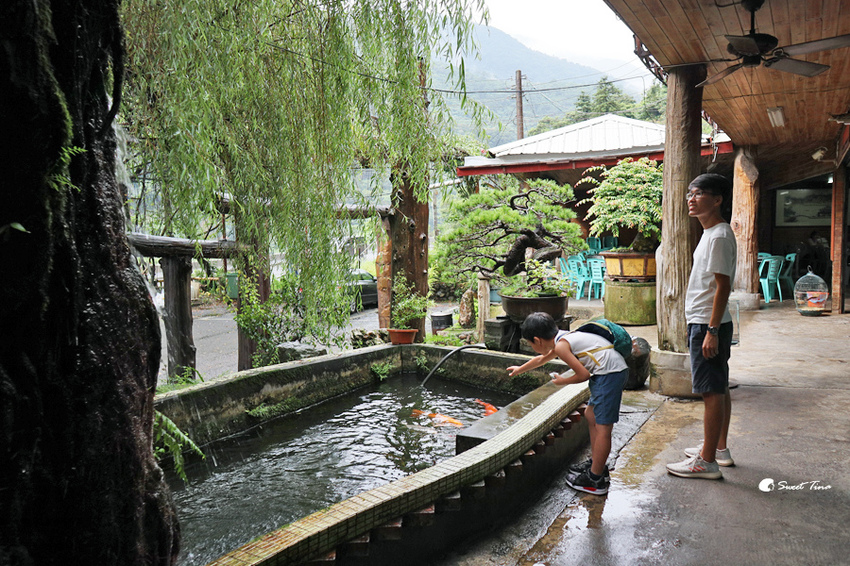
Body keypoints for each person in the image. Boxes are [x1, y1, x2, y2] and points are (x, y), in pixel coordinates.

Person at [507, 312, 629, 495]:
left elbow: (583, 375)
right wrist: (520, 369)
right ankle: (596, 462)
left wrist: (561, 381)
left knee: (603, 427)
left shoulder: (563, 346)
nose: (532, 347)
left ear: (537, 340)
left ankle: (596, 479)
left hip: (610, 375)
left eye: (530, 344)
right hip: (606, 373)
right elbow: (541, 359)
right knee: (590, 414)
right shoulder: (563, 338)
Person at [667, 173, 737, 480]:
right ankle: (717, 448)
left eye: (698, 194)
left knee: (710, 391)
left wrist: (709, 330)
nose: (691, 200)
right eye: (689, 195)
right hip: (704, 322)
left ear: (718, 199)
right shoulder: (711, 233)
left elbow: (723, 286)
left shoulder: (719, 235)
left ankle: (706, 461)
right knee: (718, 387)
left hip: (709, 324)